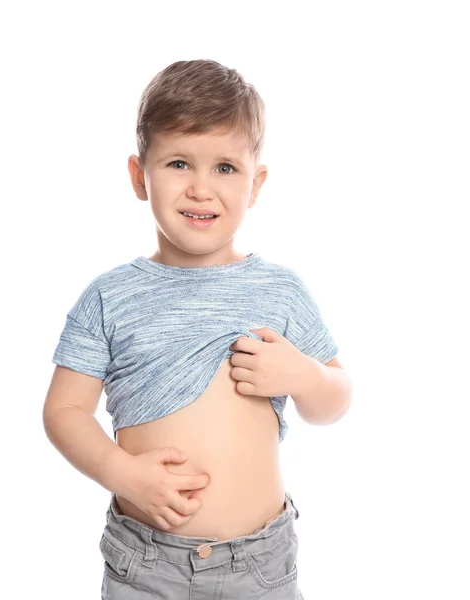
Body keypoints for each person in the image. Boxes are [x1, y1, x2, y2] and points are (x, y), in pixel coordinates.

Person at [44, 58, 352, 599]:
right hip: (146, 562)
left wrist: (305, 377)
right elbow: (64, 411)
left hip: (261, 563)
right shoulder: (109, 296)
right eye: (180, 163)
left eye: (225, 168)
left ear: (255, 184)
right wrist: (120, 471)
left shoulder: (280, 290)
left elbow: (336, 398)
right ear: (140, 176)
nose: (201, 189)